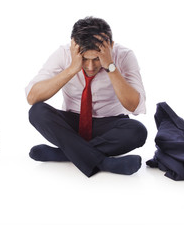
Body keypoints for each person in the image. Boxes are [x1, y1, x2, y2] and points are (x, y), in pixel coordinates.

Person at [25, 16, 147, 177]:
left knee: (137, 131)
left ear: (110, 46)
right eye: (84, 59)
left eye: (96, 59)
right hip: (72, 123)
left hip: (109, 124)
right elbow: (32, 97)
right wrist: (71, 69)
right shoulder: (63, 54)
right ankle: (103, 162)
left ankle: (65, 154)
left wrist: (110, 66)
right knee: (37, 112)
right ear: (74, 48)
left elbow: (134, 105)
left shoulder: (124, 56)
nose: (90, 66)